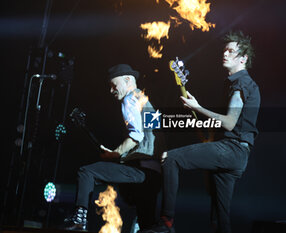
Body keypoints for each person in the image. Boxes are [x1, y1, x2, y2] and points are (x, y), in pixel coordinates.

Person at [148, 31, 260, 233]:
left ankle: (166, 222)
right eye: (224, 50)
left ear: (243, 58)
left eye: (231, 51)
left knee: (170, 158)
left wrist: (197, 107)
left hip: (231, 149)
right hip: (237, 154)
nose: (225, 54)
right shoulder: (238, 83)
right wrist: (195, 111)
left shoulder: (240, 83)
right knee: (219, 217)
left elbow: (228, 123)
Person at [64, 64, 163, 232]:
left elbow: (136, 136)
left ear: (127, 80)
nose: (111, 90)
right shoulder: (145, 101)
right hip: (154, 176)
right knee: (146, 226)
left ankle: (80, 220)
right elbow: (153, 139)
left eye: (113, 85)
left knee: (87, 172)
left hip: (139, 170)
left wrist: (115, 154)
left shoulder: (129, 99)